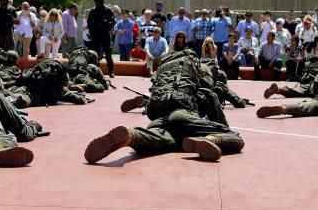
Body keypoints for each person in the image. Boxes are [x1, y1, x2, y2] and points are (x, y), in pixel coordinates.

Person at [86, 50, 244, 164]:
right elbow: (210, 97)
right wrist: (220, 127)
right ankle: (208, 139)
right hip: (184, 116)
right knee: (236, 139)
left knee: (164, 142)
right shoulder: (198, 69)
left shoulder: (164, 69)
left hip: (158, 121)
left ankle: (131, 135)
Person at [86, 0, 116, 78]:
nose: (98, 3)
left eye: (99, 1)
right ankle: (96, 71)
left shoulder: (108, 10)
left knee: (108, 54)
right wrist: (93, 31)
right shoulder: (93, 11)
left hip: (105, 35)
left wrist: (107, 25)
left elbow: (113, 21)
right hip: (96, 35)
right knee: (95, 54)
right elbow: (89, 23)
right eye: (96, 1)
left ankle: (111, 71)